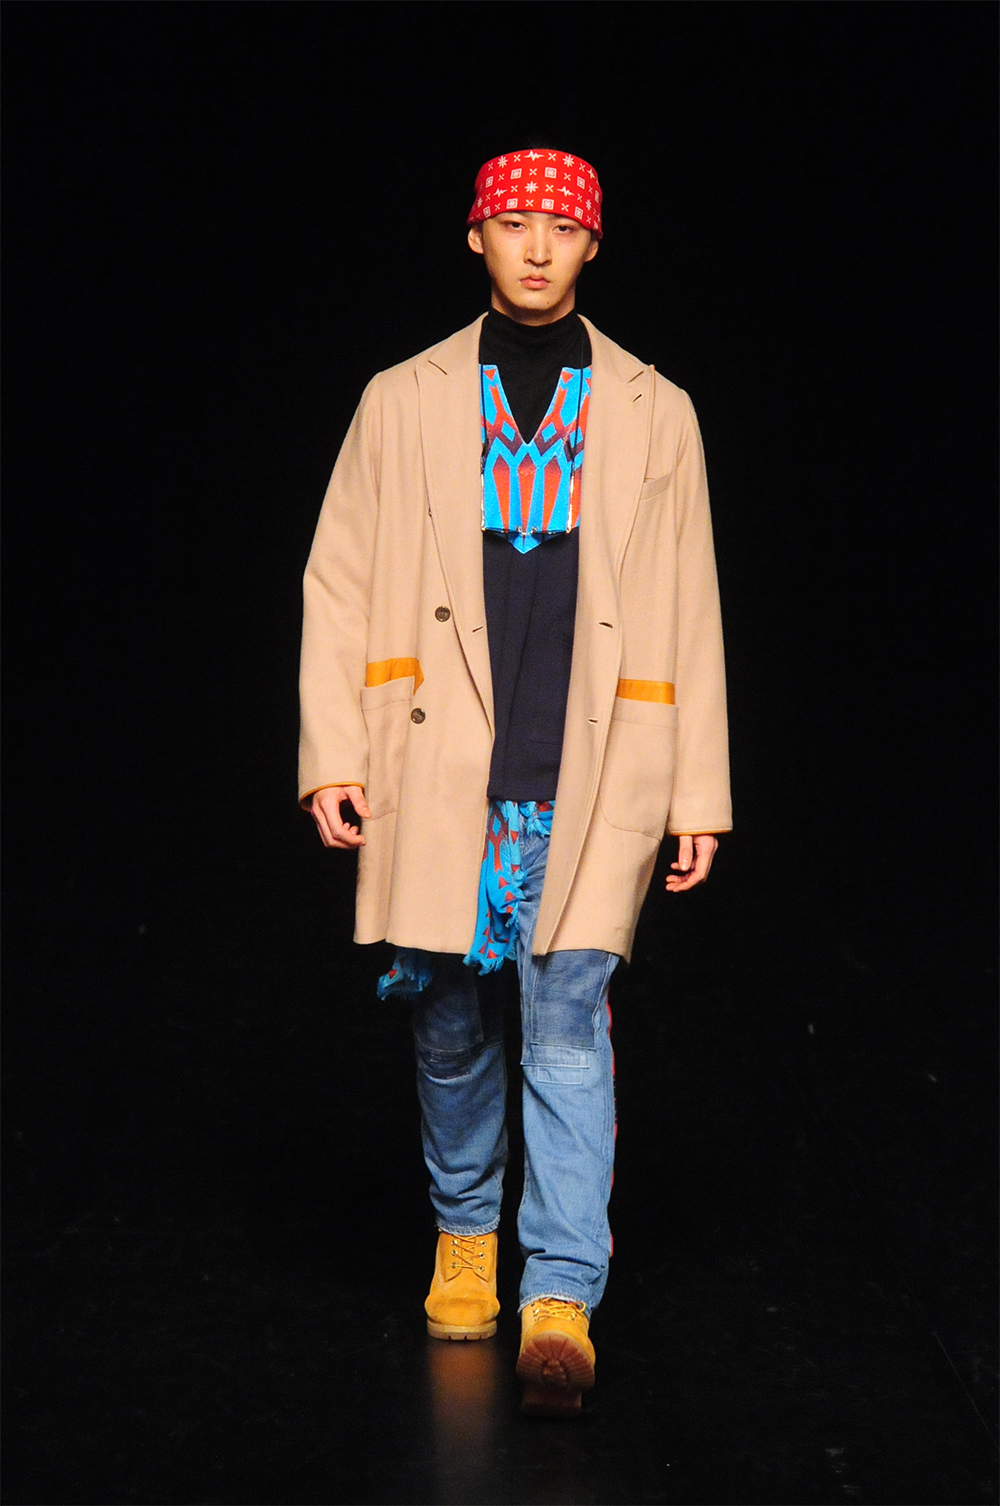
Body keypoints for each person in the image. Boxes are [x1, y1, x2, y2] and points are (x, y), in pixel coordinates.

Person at [298, 146, 731, 1416]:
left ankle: (560, 1292)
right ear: (475, 235)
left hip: (595, 761)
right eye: (514, 222)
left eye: (560, 226)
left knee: (568, 1030)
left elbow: (692, 601)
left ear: (593, 244)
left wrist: (697, 788)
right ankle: (464, 1239)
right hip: (436, 759)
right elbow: (336, 575)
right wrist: (332, 753)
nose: (537, 247)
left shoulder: (656, 408)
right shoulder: (402, 398)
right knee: (444, 1024)